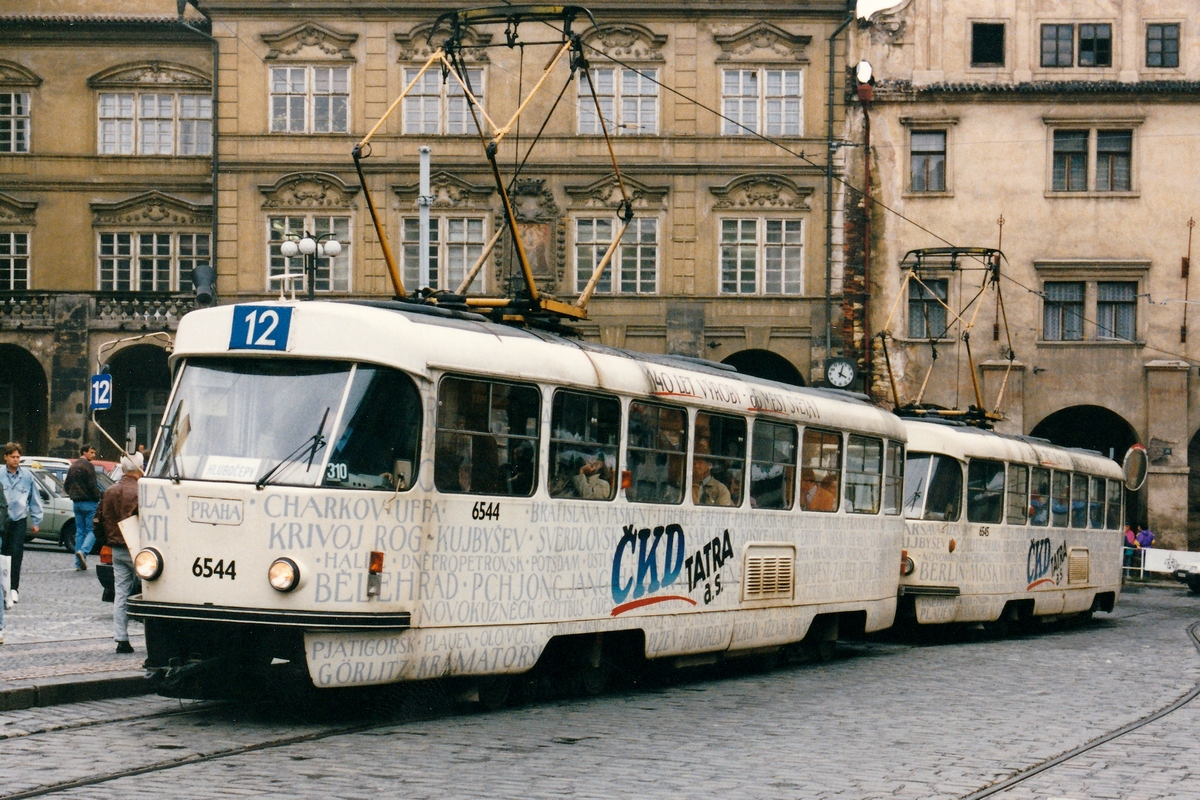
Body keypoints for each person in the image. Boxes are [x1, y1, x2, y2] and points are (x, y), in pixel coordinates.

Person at [94, 452, 143, 654]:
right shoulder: (143, 491)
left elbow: (97, 521)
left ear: (122, 468)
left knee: (121, 595)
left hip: (117, 549)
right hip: (140, 551)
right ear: (140, 468)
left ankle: (121, 638)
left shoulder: (110, 491)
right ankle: (152, 638)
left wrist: (108, 541)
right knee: (149, 595)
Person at [1, 442, 42, 606]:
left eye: (18, 457)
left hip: (19, 519)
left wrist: (36, 520)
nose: (16, 460)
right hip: (2, 520)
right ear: (6, 457)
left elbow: (34, 499)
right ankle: (2, 587)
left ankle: (13, 588)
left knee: (16, 554)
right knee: (2, 554)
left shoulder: (27, 476)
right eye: (13, 457)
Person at [64, 444, 103, 570]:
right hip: (89, 502)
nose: (94, 455)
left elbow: (66, 485)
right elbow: (93, 485)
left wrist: (72, 494)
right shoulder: (88, 466)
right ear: (84, 452)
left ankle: (78, 563)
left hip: (76, 503)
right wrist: (98, 497)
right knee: (92, 530)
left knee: (80, 531)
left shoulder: (73, 465)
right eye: (91, 452)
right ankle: (84, 551)